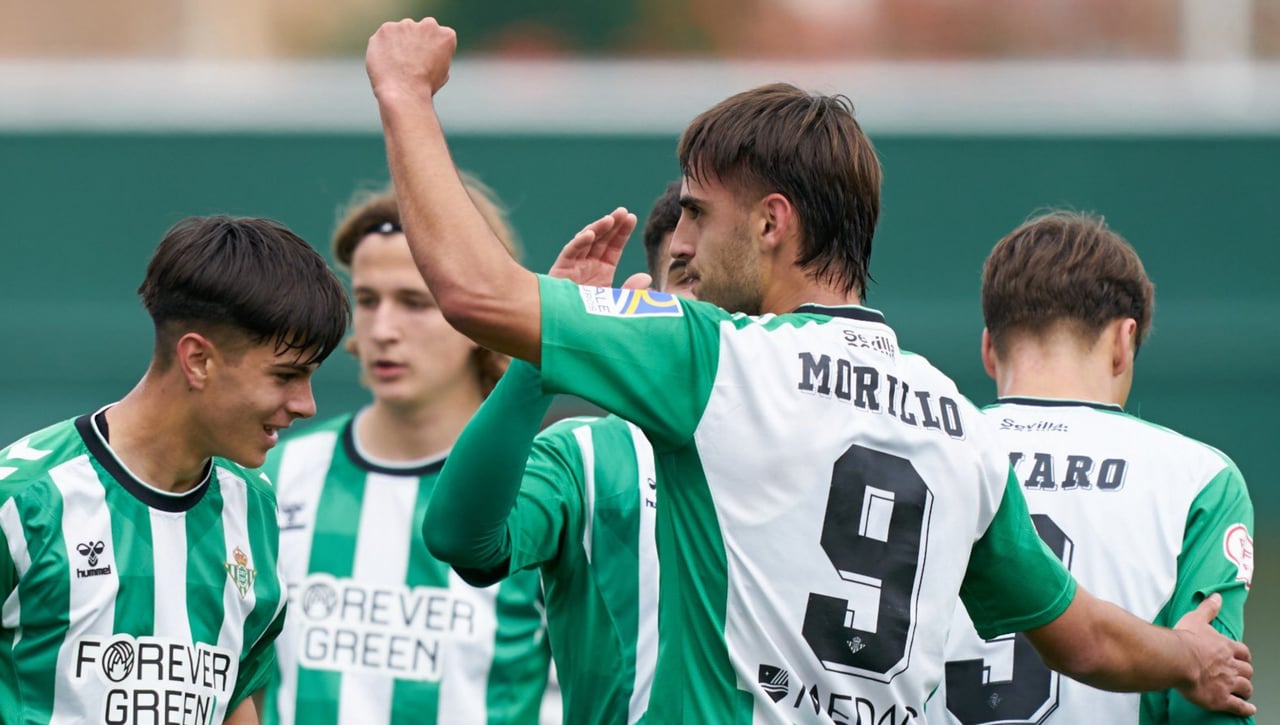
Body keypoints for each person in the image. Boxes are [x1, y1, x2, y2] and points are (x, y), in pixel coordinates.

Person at [363, 19, 1254, 722]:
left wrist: (405, 94)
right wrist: (1189, 657)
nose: (687, 240)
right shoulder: (955, 422)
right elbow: (1084, 636)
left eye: (703, 215)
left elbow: (476, 293)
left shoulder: (717, 357)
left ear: (771, 225)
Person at [0, 216, 349, 725]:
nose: (306, 404)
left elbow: (235, 699)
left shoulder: (253, 506)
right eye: (286, 376)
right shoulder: (24, 498)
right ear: (198, 360)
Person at [930, 211, 1255, 724]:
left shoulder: (926, 450)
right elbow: (1207, 706)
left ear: (989, 348)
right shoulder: (1200, 480)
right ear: (1125, 342)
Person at [260, 180, 554, 725]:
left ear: (478, 315)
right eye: (368, 300)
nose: (384, 329)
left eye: (417, 302)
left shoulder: (543, 490)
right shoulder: (278, 476)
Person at [424, 181, 688, 724]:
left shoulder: (830, 447)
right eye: (687, 278)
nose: (712, 312)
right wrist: (541, 349)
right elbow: (461, 538)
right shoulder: (590, 455)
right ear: (649, 299)